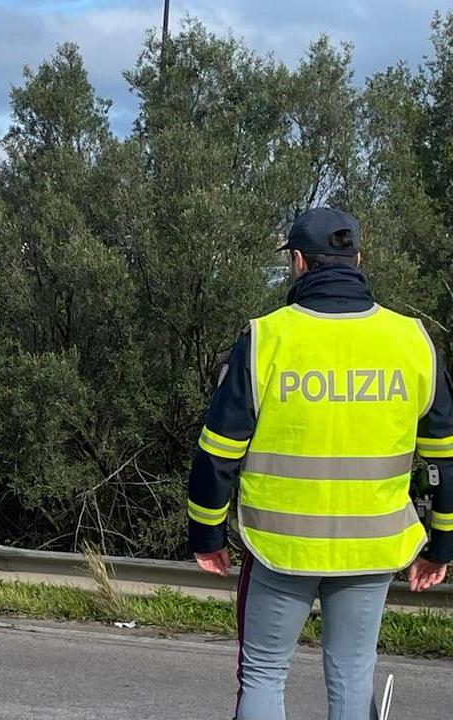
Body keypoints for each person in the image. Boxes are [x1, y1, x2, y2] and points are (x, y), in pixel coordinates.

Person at [188, 208, 453, 719]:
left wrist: (207, 534)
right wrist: (440, 544)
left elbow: (218, 451)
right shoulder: (412, 341)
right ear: (357, 259)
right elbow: (445, 457)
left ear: (298, 262)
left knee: (264, 671)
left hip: (280, 545)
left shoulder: (266, 338)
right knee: (354, 674)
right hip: (372, 546)